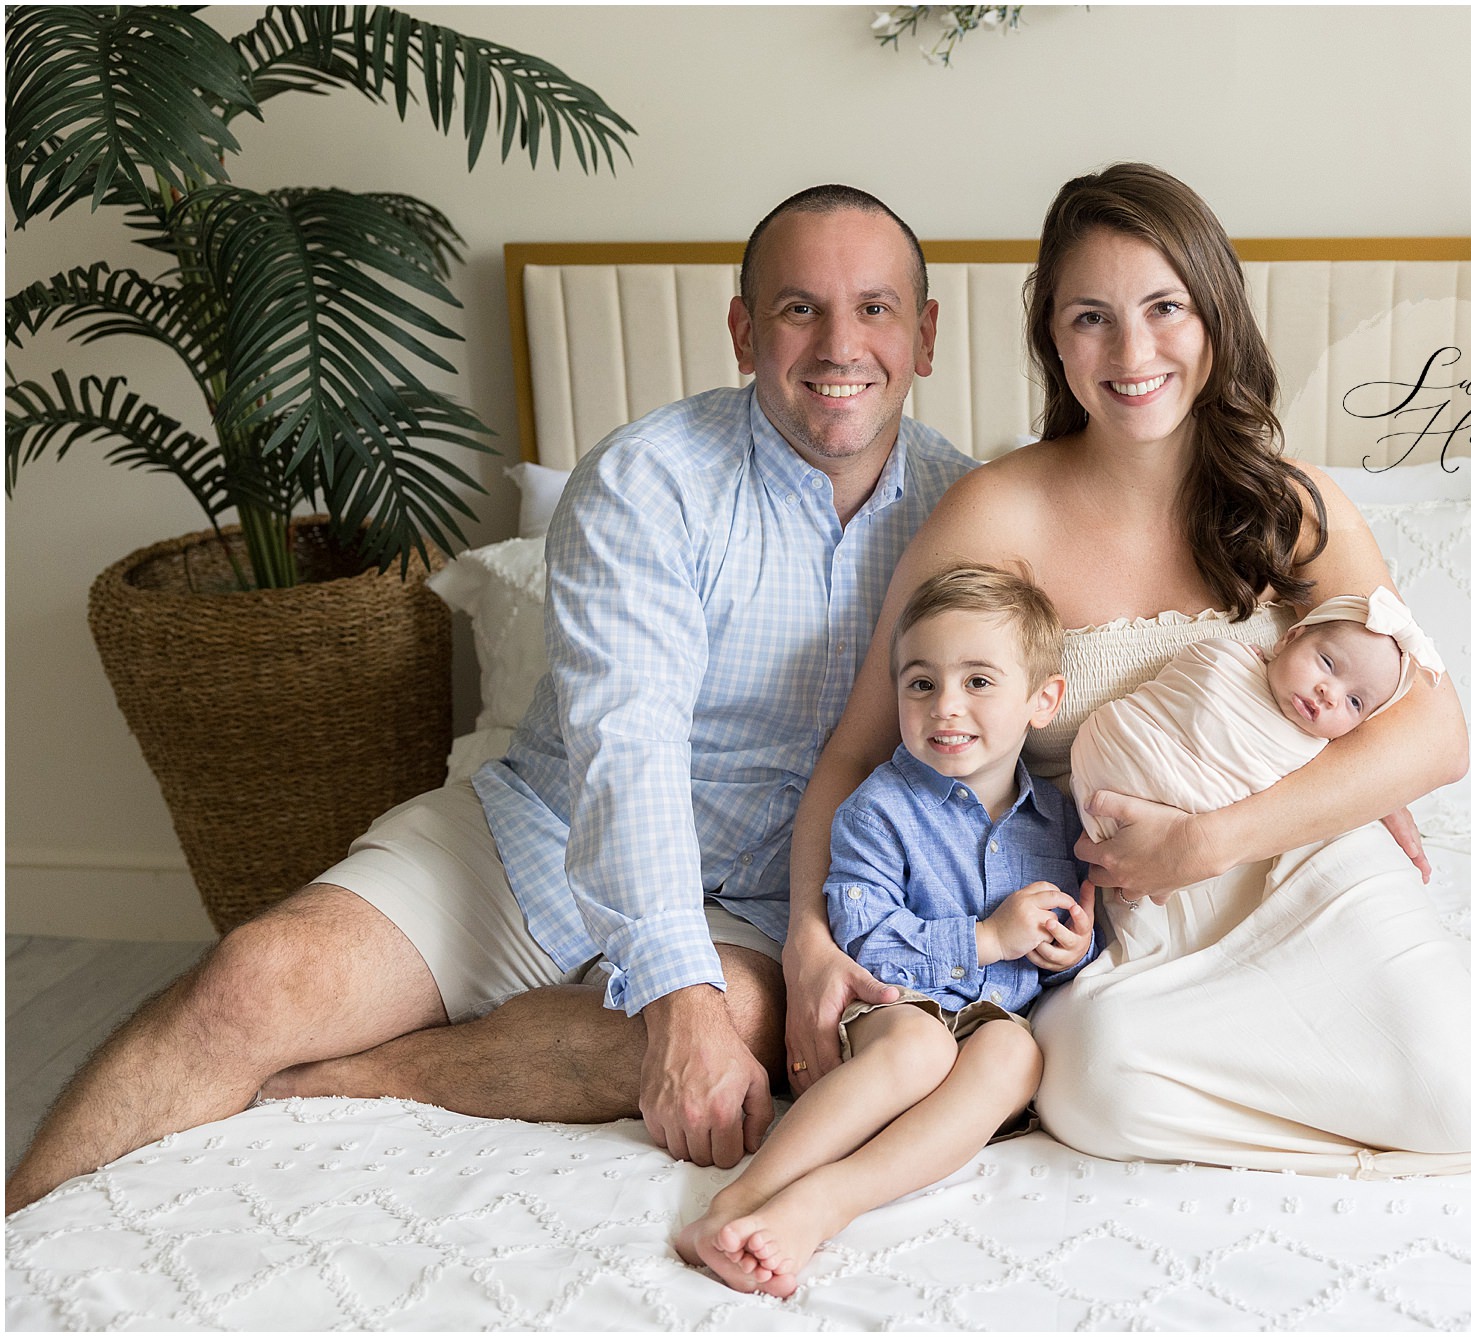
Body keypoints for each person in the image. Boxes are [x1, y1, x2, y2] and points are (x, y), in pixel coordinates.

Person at [788, 162, 1471, 1188]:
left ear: (1213, 316)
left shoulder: (1286, 502)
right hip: (1138, 924)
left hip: (1309, 862)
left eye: (1164, 307)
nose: (1132, 352)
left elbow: (1435, 735)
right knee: (1090, 1089)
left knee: (1451, 1082)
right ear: (1052, 338)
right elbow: (856, 751)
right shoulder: (994, 514)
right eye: (1090, 317)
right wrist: (812, 934)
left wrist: (1208, 839)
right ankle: (1355, 1077)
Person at [4, 184, 975, 1214]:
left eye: (873, 308)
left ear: (921, 334)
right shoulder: (650, 478)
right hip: (544, 829)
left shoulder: (967, 508)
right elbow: (625, 745)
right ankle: (16, 1234)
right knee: (253, 980)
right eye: (797, 307)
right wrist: (672, 998)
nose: (838, 344)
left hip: (774, 895)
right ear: (742, 331)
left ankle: (352, 1078)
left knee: (740, 1019)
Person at [677, 563, 1097, 1296]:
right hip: (890, 1007)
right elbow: (864, 936)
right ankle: (740, 1199)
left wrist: (1069, 950)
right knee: (919, 1040)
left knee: (1015, 1053)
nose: (946, 706)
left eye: (978, 681)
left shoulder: (1056, 822)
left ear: (1042, 700)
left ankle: (825, 1202)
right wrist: (986, 939)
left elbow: (1054, 954)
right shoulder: (880, 808)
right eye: (921, 682)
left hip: (984, 1032)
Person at [1068, 585, 1442, 850]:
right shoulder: (1225, 660)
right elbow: (1181, 691)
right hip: (1117, 755)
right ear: (1289, 638)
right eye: (1327, 663)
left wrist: (1380, 798)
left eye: (1356, 703)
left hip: (1195, 832)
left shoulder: (1313, 756)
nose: (1330, 694)